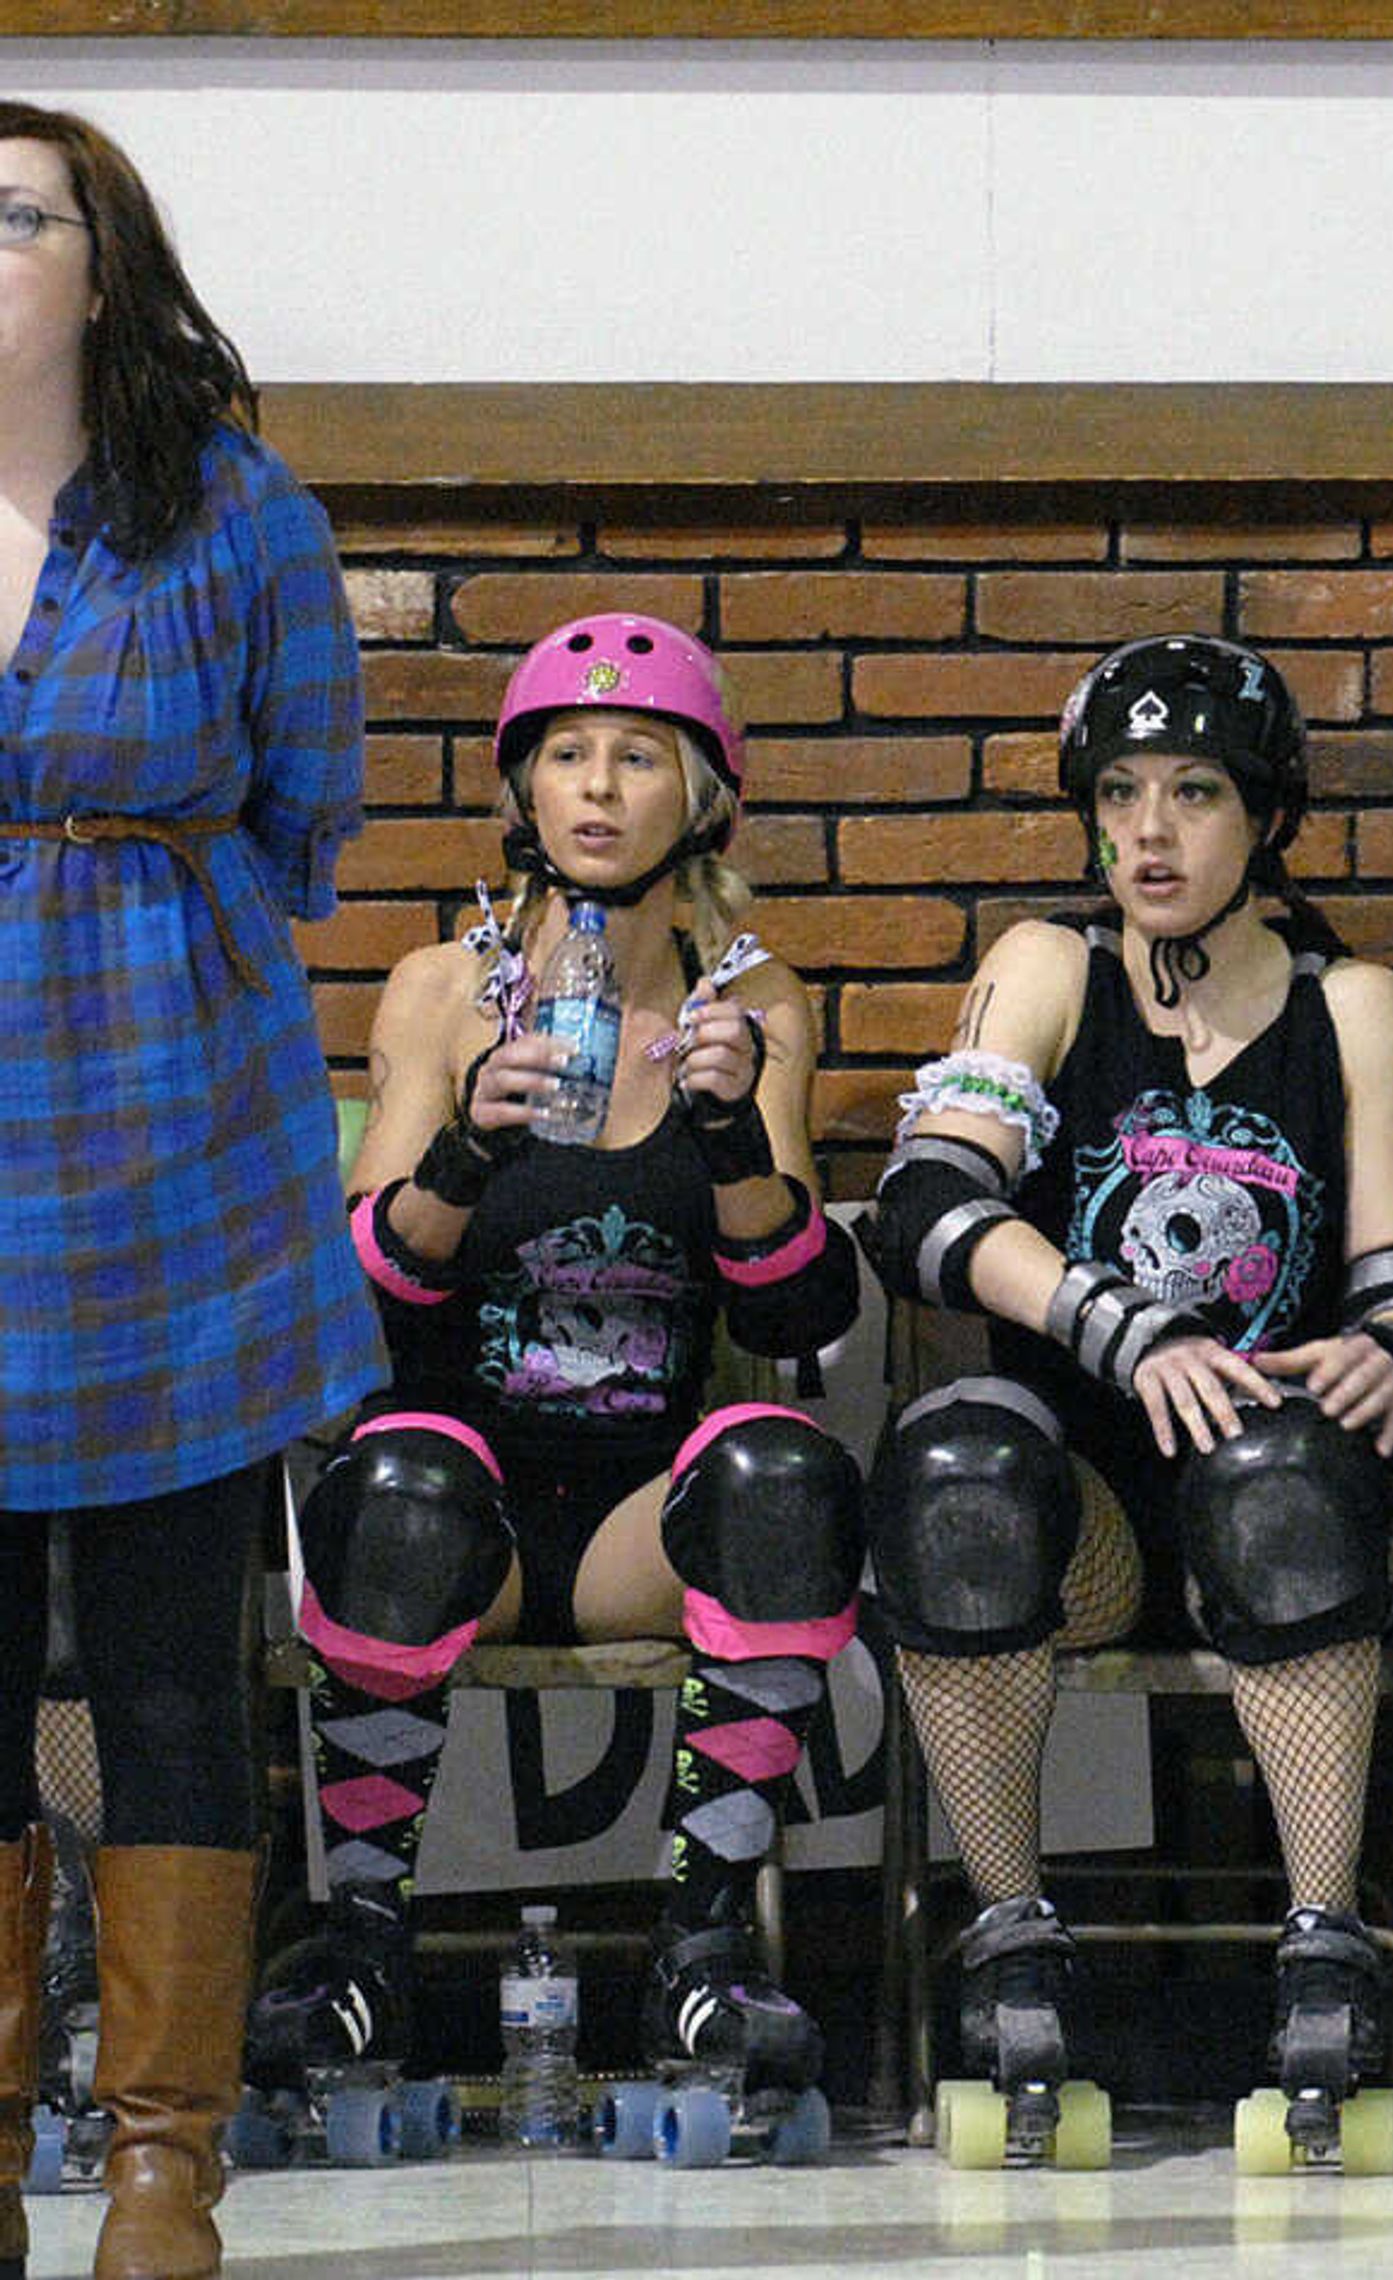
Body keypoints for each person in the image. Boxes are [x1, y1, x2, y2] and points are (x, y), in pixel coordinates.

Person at [252, 613, 866, 2134]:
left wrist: (731, 1134)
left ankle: (702, 1946)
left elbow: (797, 1307)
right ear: (521, 793)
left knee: (786, 1471)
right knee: (394, 1489)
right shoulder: (441, 993)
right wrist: (466, 1140)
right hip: (458, 1480)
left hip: (632, 1521)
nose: (597, 788)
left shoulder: (757, 1002)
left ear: (704, 797)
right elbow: (360, 1291)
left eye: (637, 757)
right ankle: (368, 1946)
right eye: (567, 756)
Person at [866, 634, 1393, 2156]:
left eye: (1193, 791)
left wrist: (1387, 1350)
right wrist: (1117, 1323)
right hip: (1088, 1515)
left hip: (1267, 1489)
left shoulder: (1355, 1008)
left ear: (1264, 816)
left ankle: (1328, 1951)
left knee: (1284, 1477)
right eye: (1120, 792)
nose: (1149, 831)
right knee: (958, 1476)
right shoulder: (1047, 968)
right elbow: (926, 1202)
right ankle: (1012, 1946)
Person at [0, 102, 384, 2280]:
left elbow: (306, 814)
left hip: (174, 1120)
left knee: (162, 1662)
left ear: (103, 267)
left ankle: (163, 2164)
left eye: (13, 215)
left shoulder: (237, 513)